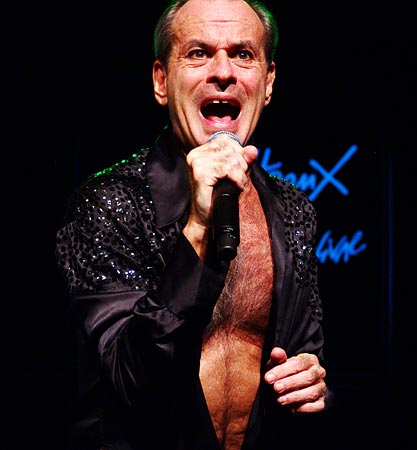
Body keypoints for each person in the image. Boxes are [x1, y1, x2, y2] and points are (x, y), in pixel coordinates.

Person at [55, 0, 332, 448]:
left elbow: (306, 357)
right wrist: (199, 229)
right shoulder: (108, 203)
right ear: (161, 81)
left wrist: (313, 386)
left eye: (243, 54)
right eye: (199, 53)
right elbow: (130, 383)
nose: (223, 71)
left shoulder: (293, 209)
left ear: (268, 83)